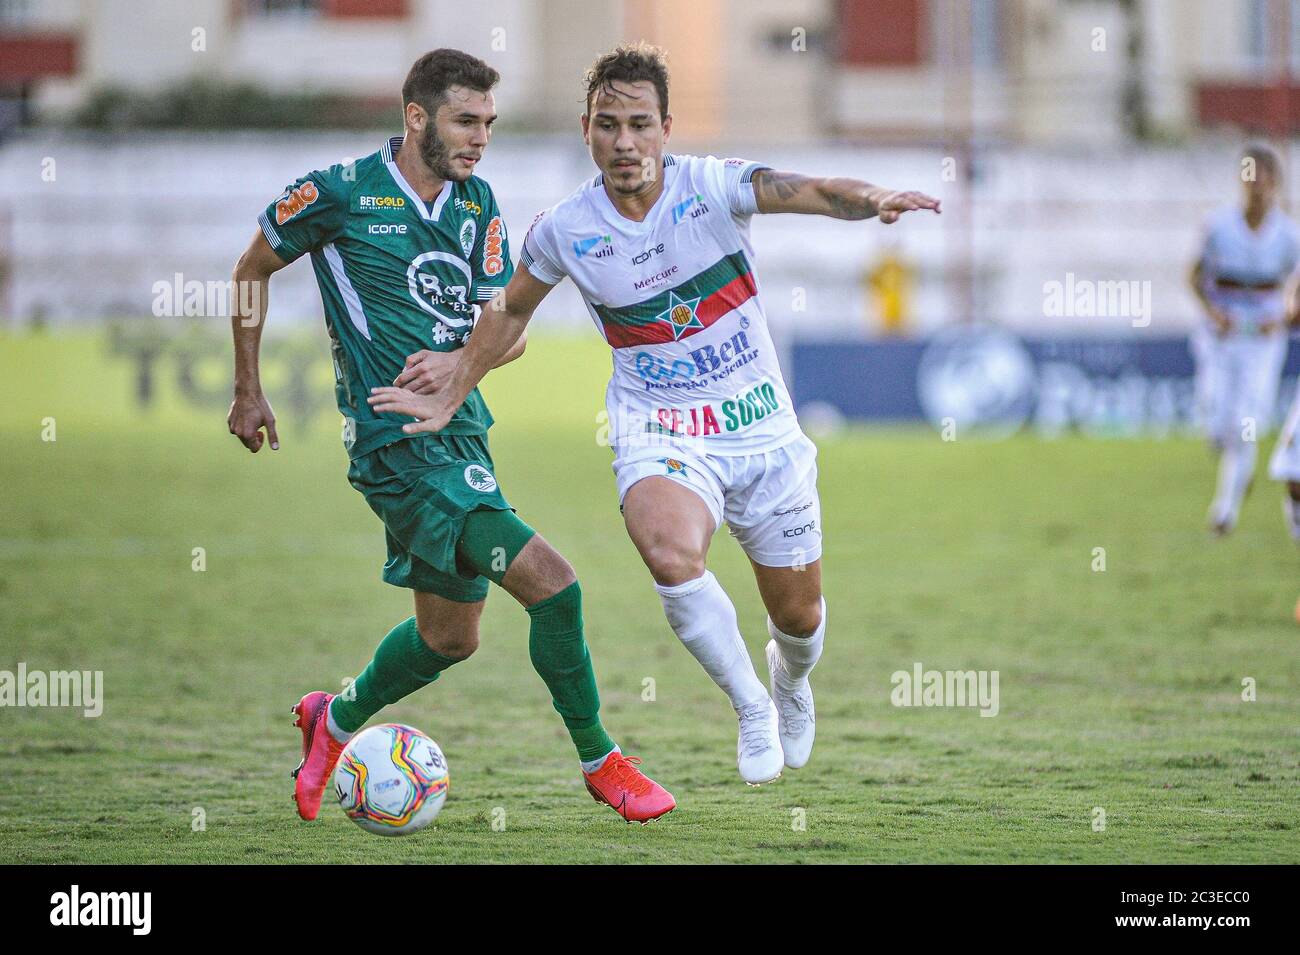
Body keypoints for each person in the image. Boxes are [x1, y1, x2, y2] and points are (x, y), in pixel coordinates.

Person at [368, 43, 940, 784]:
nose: (625, 142)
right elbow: (509, 312)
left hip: (761, 425)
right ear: (586, 129)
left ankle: (789, 683)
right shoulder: (565, 229)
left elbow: (814, 190)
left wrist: (874, 200)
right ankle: (750, 706)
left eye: (640, 124)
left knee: (798, 618)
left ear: (667, 127)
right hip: (659, 427)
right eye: (608, 125)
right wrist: (456, 378)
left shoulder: (712, 188)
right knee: (670, 554)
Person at [226, 49, 674, 824]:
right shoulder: (339, 193)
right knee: (554, 585)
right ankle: (604, 761)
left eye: (489, 124)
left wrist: (464, 359)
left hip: (464, 438)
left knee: (449, 638)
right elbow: (250, 268)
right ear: (416, 117)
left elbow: (510, 329)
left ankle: (329, 720)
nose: (480, 137)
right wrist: (247, 387)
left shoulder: (477, 205)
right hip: (395, 445)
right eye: (466, 120)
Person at [1190, 142, 1300, 535]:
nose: (1257, 186)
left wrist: (1285, 316)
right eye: (1250, 175)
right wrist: (1212, 311)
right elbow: (1194, 276)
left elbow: (1296, 286)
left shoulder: (1289, 235)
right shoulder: (1218, 226)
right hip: (1222, 339)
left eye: (1265, 177)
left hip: (1262, 343)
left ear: (1275, 183)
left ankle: (1226, 510)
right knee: (1218, 423)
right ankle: (1237, 463)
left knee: (1247, 425)